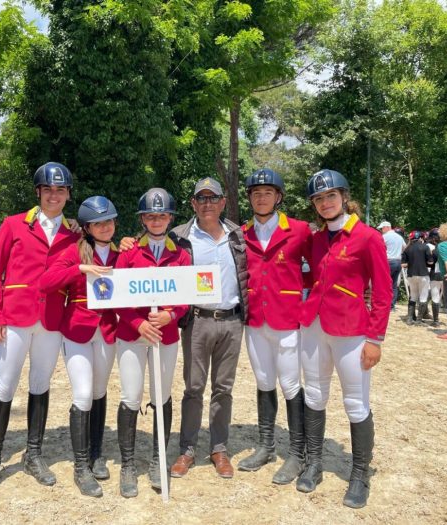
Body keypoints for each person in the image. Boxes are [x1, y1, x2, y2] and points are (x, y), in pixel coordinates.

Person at [0, 162, 79, 498]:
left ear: (67, 195)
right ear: (38, 192)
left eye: (60, 190)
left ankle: (34, 454)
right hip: (14, 318)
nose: (54, 195)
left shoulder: (74, 233)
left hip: (50, 321)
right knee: (4, 385)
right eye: (48, 189)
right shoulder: (14, 224)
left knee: (40, 384)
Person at [297, 169, 392, 509]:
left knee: (355, 403)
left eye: (330, 196)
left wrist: (375, 338)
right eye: (318, 199)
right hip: (314, 328)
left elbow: (383, 291)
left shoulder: (368, 237)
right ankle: (313, 463)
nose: (325, 203)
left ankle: (360, 473)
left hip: (352, 331)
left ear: (344, 197)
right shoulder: (316, 238)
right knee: (315, 396)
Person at [169, 177, 249, 481]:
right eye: (200, 199)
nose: (207, 204)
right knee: (193, 388)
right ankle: (187, 448)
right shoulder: (178, 237)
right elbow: (147, 250)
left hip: (231, 321)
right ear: (192, 204)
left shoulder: (239, 236)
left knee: (223, 389)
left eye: (212, 198)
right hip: (197, 322)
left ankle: (218, 448)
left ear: (223, 202)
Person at [39, 196, 119, 497]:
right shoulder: (74, 252)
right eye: (98, 223)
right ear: (87, 227)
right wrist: (80, 270)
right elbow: (45, 282)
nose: (105, 227)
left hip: (107, 330)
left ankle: (97, 452)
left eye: (109, 221)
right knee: (83, 394)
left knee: (99, 392)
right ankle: (81, 466)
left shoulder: (120, 252)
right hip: (77, 331)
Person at [237, 168, 312, 486]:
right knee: (264, 381)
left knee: (291, 385)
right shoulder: (242, 233)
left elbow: (319, 267)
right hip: (255, 320)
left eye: (268, 192)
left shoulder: (299, 230)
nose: (261, 197)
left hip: (287, 319)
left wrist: (302, 295)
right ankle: (266, 446)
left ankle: (297, 452)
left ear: (278, 197)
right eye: (256, 193)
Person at [113, 188, 191, 498]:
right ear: (142, 219)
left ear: (171, 218)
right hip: (133, 335)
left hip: (165, 336)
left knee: (162, 395)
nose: (156, 220)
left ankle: (159, 457)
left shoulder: (182, 254)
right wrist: (138, 322)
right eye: (150, 216)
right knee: (131, 396)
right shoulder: (128, 252)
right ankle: (128, 464)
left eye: (162, 215)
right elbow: (117, 296)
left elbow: (187, 296)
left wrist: (172, 314)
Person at [401, 230, 433, 325]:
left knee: (413, 296)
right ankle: (419, 320)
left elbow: (403, 264)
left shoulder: (407, 249)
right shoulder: (425, 247)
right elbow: (430, 262)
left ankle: (410, 318)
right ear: (420, 238)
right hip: (423, 274)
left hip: (411, 275)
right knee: (423, 297)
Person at [377, 221, 404, 311]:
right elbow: (404, 247)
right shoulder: (399, 237)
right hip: (398, 261)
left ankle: (383, 303)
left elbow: (378, 247)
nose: (381, 230)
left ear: (386, 227)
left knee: (384, 283)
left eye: (381, 228)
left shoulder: (384, 237)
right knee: (394, 284)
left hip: (388, 261)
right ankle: (392, 306)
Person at [426, 228, 444, 326]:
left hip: (436, 274)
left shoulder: (435, 249)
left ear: (434, 239)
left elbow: (430, 263)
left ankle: (436, 321)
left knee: (435, 297)